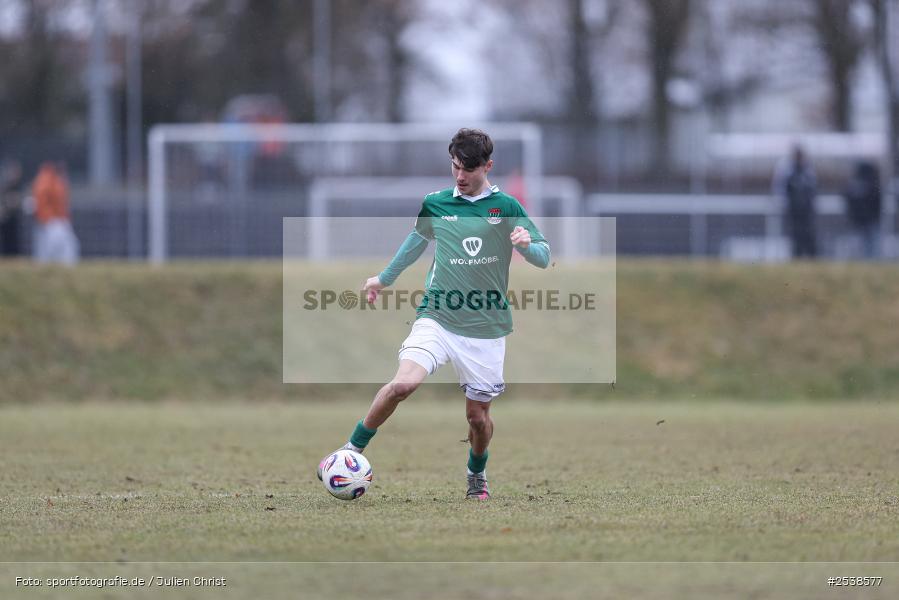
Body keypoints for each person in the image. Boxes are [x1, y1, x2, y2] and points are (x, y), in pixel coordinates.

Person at [317, 128, 551, 500]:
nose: (460, 176)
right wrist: (383, 279)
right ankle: (351, 449)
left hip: (486, 328)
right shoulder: (436, 203)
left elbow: (544, 256)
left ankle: (477, 473)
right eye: (456, 167)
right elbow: (415, 243)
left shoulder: (506, 207)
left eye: (469, 169)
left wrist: (526, 246)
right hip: (437, 316)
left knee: (477, 418)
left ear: (488, 166)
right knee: (403, 385)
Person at [773, 145, 818, 259]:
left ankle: (810, 257)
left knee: (808, 234)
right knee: (795, 235)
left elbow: (813, 189)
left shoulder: (808, 171)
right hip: (794, 210)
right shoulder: (788, 172)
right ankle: (797, 256)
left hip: (806, 211)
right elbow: (781, 189)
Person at [32, 161, 80, 265]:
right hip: (54, 221)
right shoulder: (51, 181)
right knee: (66, 251)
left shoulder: (43, 180)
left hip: (48, 222)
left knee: (46, 253)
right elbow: (57, 201)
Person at [843, 160, 882, 259]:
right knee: (868, 250)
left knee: (867, 249)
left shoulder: (869, 186)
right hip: (863, 221)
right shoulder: (872, 185)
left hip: (864, 221)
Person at [0, 159, 25, 257]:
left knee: (14, 244)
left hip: (14, 221)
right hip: (6, 221)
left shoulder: (18, 186)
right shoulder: (6, 186)